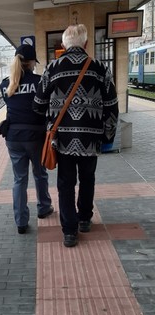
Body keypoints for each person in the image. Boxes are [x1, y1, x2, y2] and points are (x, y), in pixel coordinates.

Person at [32, 24, 119, 247]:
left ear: (63, 45)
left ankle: (69, 232)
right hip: (91, 139)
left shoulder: (53, 67)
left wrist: (51, 116)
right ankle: (85, 219)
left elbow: (38, 104)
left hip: (63, 140)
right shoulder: (100, 68)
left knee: (65, 183)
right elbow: (112, 105)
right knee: (88, 178)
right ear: (86, 44)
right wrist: (108, 136)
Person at [0, 44, 54, 235]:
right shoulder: (40, 81)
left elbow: (10, 105)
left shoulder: (5, 84)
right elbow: (45, 106)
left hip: (13, 137)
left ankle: (21, 221)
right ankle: (44, 207)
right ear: (31, 62)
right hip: (36, 137)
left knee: (19, 179)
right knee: (40, 174)